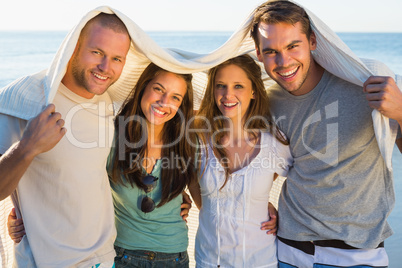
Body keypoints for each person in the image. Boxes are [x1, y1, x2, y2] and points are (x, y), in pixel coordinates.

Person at [249, 0, 402, 267]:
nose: (284, 62)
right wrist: (260, 203)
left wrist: (401, 112)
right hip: (287, 250)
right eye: (271, 51)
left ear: (313, 42)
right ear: (258, 54)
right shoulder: (267, 100)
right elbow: (266, 163)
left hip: (358, 255)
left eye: (292, 46)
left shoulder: (365, 81)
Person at [0, 13, 131, 267]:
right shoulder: (23, 100)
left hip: (101, 259)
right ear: (73, 48)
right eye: (96, 52)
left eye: (117, 58)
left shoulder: (108, 102)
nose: (106, 67)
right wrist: (27, 148)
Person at [189, 54, 292, 267]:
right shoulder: (198, 139)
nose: (228, 95)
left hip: (261, 261)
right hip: (209, 260)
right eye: (221, 86)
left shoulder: (275, 143)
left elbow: (306, 182)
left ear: (253, 91)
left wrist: (273, 209)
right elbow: (192, 183)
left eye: (238, 86)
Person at [108, 62, 197, 267]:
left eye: (175, 97)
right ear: (143, 87)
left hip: (174, 256)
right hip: (122, 254)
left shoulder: (187, 143)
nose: (164, 102)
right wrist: (23, 217)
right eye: (158, 89)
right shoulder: (112, 136)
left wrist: (264, 203)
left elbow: (212, 194)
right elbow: (74, 183)